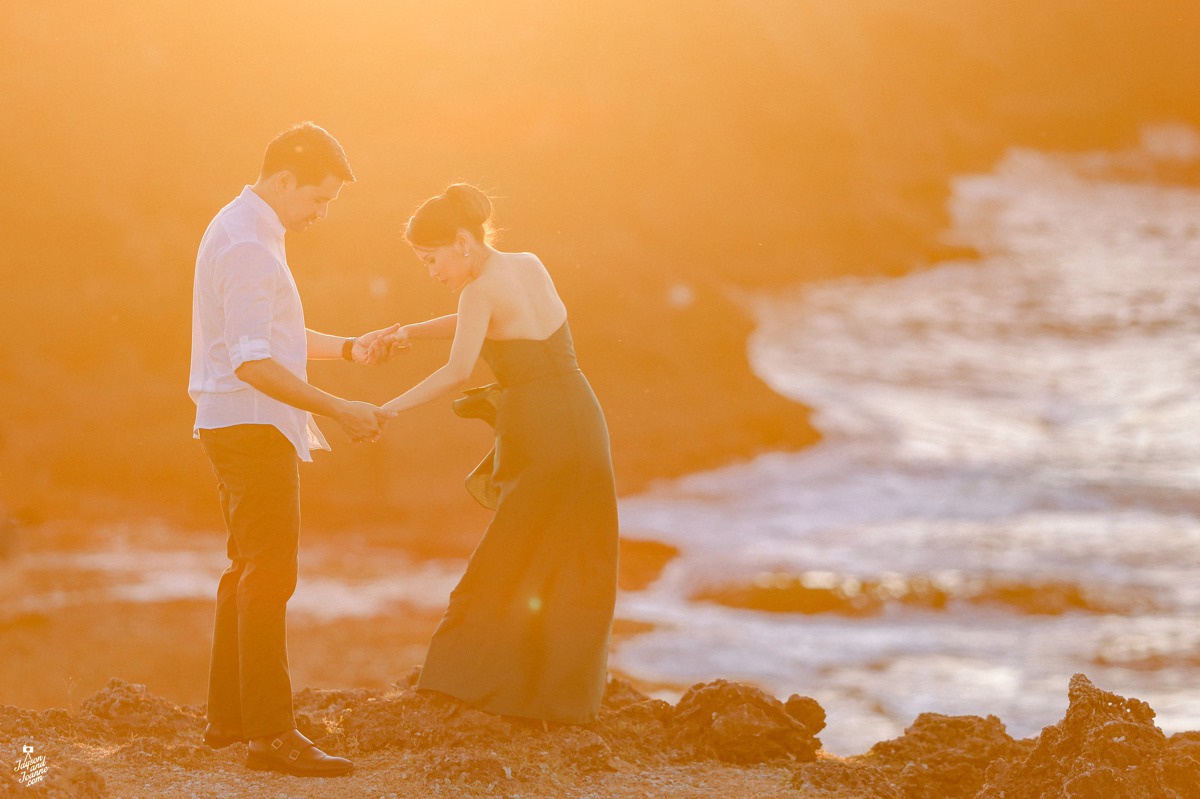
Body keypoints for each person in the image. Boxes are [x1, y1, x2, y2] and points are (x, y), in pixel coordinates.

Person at [188, 122, 398, 777]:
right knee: (270, 575)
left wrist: (348, 348)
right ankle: (271, 736)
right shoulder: (249, 243)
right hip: (251, 425)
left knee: (246, 568)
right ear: (285, 180)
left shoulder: (243, 227)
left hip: (231, 422)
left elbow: (269, 333)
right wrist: (338, 407)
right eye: (319, 198)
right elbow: (253, 362)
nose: (322, 212)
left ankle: (229, 721)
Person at [379, 183, 619, 724]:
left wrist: (386, 410)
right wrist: (411, 332)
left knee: (509, 556)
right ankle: (558, 698)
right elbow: (487, 324)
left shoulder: (476, 293)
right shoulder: (528, 265)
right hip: (583, 419)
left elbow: (458, 370)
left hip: (541, 431)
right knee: (576, 555)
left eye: (432, 258)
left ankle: (466, 686)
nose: (431, 271)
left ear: (462, 242)